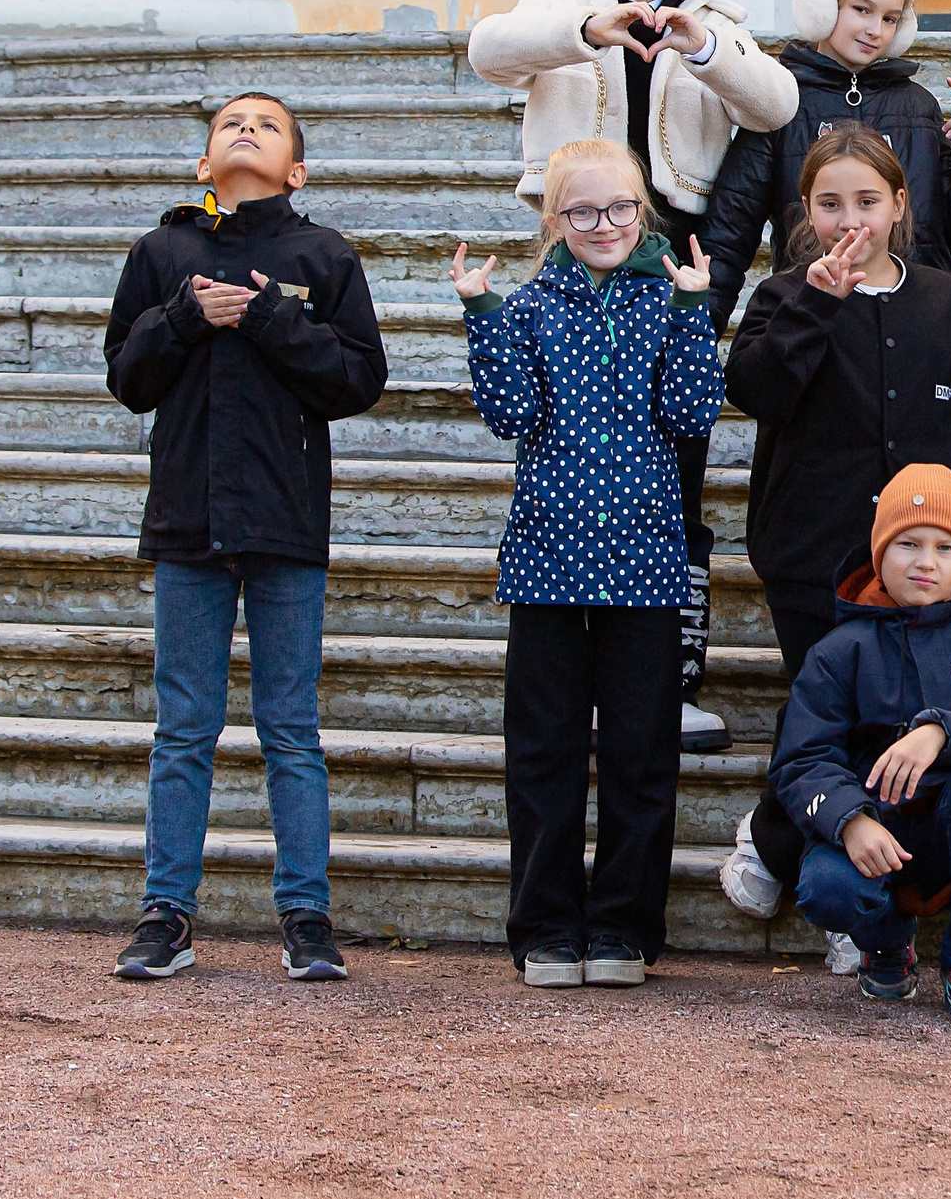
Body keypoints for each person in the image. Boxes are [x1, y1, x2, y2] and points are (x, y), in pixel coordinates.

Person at [470, 0, 795, 757]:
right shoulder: (569, 3)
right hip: (576, 248)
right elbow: (487, 49)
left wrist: (703, 49)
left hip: (668, 267)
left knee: (677, 453)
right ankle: (574, 661)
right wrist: (585, 32)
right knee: (564, 439)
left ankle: (671, 678)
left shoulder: (717, 22)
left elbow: (776, 102)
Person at [104, 92, 388, 981]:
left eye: (267, 126)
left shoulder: (320, 254)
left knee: (289, 729)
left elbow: (358, 378)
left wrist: (268, 316)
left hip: (285, 524)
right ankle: (167, 912)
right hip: (189, 523)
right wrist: (186, 315)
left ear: (296, 170)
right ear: (203, 163)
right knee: (183, 726)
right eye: (230, 124)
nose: (246, 132)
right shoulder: (162, 253)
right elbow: (126, 376)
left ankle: (306, 913)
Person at [717, 125, 951, 964]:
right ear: (804, 211)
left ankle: (787, 844)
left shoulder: (944, 299)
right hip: (812, 550)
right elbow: (757, 388)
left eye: (868, 202)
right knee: (829, 719)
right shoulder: (783, 293)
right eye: (831, 203)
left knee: (894, 720)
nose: (851, 219)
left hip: (919, 560)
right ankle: (829, 886)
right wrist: (817, 302)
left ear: (901, 204)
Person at [451, 139, 725, 988]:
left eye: (619, 210)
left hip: (645, 560)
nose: (603, 225)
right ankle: (547, 927)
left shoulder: (665, 299)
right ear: (553, 220)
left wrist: (694, 310)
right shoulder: (531, 306)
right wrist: (483, 314)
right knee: (545, 752)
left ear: (642, 212)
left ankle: (623, 928)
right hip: (547, 561)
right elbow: (508, 414)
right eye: (582, 211)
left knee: (643, 753)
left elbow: (691, 413)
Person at [770, 463, 951, 1029]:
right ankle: (887, 941)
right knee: (825, 887)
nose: (926, 562)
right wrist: (849, 820)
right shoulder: (837, 648)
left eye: (946, 547)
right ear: (879, 552)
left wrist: (944, 730)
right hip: (874, 831)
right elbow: (801, 758)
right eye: (909, 544)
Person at [701, 0, 951, 331]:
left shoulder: (917, 105)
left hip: (914, 317)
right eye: (862, 10)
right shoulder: (780, 99)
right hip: (818, 312)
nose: (875, 30)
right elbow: (731, 229)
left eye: (890, 18)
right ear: (822, 6)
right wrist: (697, 333)